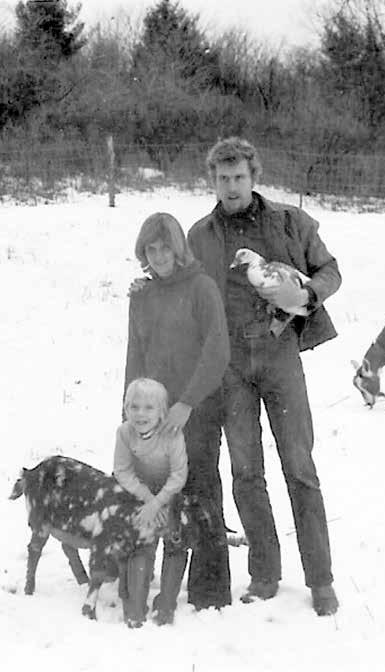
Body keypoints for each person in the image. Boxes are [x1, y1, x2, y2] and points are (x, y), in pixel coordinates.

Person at [187, 137, 341, 616]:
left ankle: (321, 580)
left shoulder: (291, 221)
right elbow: (180, 286)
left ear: (254, 177)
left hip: (279, 357)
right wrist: (145, 287)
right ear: (212, 181)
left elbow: (329, 270)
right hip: (230, 366)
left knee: (300, 468)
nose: (231, 187)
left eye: (239, 177)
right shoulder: (200, 235)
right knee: (246, 472)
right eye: (223, 178)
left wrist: (307, 296)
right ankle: (264, 572)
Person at [123, 212, 232, 613]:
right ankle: (141, 580)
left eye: (165, 248)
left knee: (199, 496)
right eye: (151, 250)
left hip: (196, 409)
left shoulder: (202, 288)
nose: (159, 256)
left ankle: (209, 591)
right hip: (152, 414)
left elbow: (217, 350)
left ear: (178, 248)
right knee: (150, 492)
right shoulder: (143, 296)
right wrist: (130, 414)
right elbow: (135, 355)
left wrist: (187, 403)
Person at [114, 377, 188, 627]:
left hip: (170, 493)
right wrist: (147, 499)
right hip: (139, 493)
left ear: (161, 411)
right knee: (141, 534)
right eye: (134, 407)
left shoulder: (172, 434)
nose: (140, 414)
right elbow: (122, 471)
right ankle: (136, 603)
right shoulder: (124, 433)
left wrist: (158, 504)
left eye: (148, 408)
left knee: (174, 534)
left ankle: (166, 603)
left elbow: (178, 475)